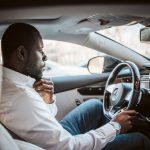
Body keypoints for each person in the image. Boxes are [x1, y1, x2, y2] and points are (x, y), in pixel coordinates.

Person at [0, 23, 149, 150]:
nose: (45, 57)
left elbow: (44, 122)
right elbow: (69, 146)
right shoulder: (19, 96)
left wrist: (47, 101)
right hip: (66, 146)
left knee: (95, 106)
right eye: (40, 51)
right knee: (140, 140)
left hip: (54, 139)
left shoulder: (12, 85)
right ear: (21, 53)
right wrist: (116, 127)